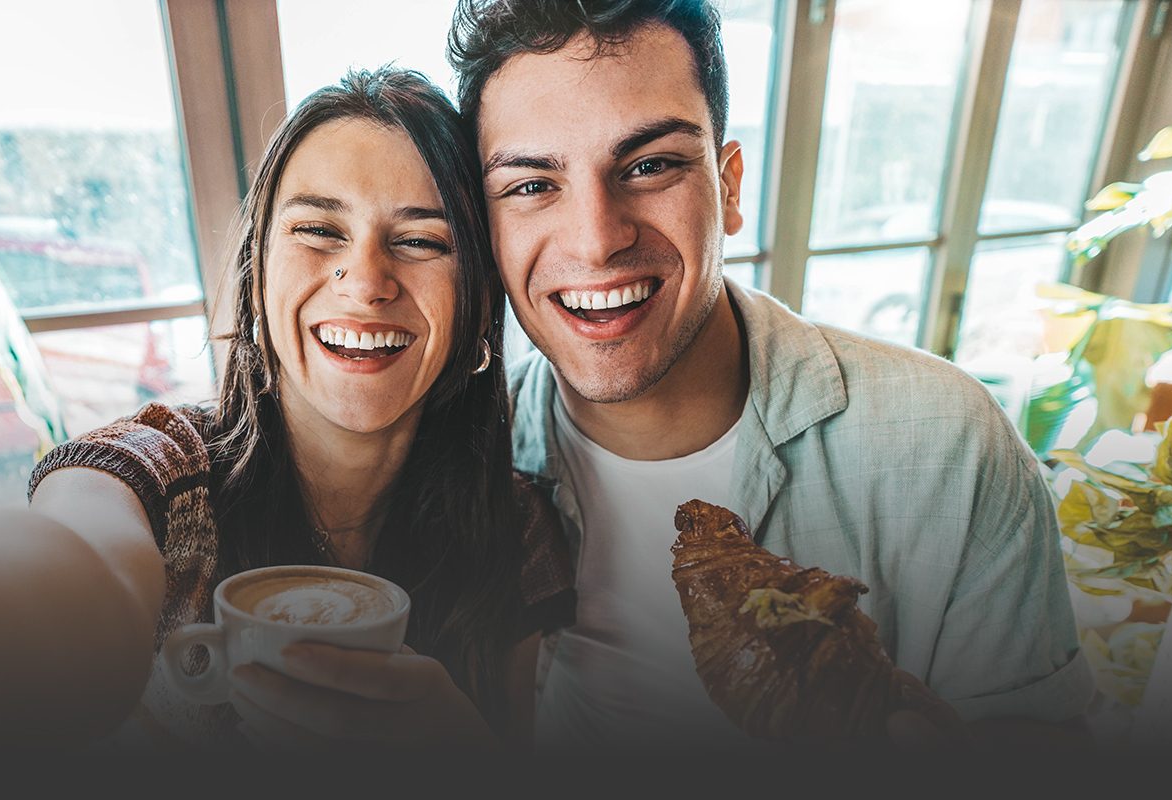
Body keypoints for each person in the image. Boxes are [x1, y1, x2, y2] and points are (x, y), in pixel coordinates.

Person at [0, 68, 574, 750]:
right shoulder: (157, 473)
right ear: (258, 279)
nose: (366, 280)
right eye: (318, 230)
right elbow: (74, 577)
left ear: (478, 313)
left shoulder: (520, 522)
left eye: (420, 240)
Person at [440, 0, 1095, 751]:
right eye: (530, 185)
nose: (597, 241)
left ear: (730, 188)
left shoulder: (951, 446)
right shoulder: (471, 465)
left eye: (650, 166)